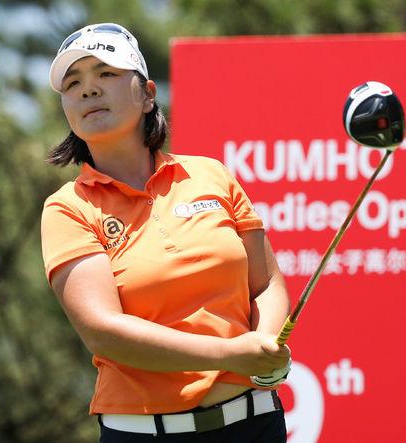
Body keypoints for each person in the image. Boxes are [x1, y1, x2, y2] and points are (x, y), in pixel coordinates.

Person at [40, 23, 292, 442]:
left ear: (147, 94)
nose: (88, 89)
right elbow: (103, 331)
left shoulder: (211, 175)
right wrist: (230, 354)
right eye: (73, 83)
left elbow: (265, 285)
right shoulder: (67, 207)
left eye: (106, 73)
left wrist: (263, 347)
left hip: (256, 424)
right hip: (144, 433)